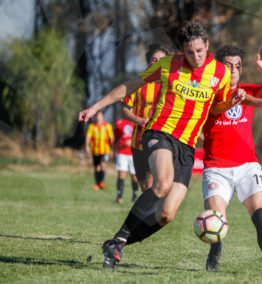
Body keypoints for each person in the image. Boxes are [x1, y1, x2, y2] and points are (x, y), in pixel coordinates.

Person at [78, 21, 243, 269]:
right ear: (181, 50)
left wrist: (230, 103)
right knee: (162, 184)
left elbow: (216, 107)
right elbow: (130, 85)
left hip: (187, 147)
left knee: (166, 215)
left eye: (199, 51)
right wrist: (95, 107)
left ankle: (116, 243)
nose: (195, 57)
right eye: (189, 52)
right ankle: (120, 239)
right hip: (160, 132)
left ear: (207, 46)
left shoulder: (220, 73)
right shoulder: (169, 65)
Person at [201, 45, 262, 277]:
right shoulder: (206, 91)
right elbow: (214, 109)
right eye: (228, 66)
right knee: (216, 220)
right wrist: (248, 101)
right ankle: (216, 248)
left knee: (260, 211)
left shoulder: (247, 89)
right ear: (218, 68)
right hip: (216, 169)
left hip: (246, 167)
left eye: (238, 66)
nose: (234, 70)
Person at [121, 43, 175, 192]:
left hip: (162, 141)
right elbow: (124, 110)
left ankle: (158, 211)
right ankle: (153, 213)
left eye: (161, 60)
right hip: (138, 142)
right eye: (153, 59)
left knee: (153, 183)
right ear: (148, 62)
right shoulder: (139, 83)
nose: (156, 63)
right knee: (145, 187)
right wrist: (138, 120)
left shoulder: (172, 85)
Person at [85, 111, 114, 190]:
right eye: (97, 116)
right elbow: (88, 137)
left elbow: (111, 138)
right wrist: (87, 146)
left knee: (103, 165)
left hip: (105, 150)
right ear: (95, 117)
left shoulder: (107, 126)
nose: (99, 117)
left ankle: (101, 182)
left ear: (103, 117)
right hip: (95, 150)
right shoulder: (92, 126)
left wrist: (111, 148)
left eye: (100, 116)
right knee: (97, 167)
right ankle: (97, 183)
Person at [113, 118, 139, 203]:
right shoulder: (119, 122)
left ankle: (135, 196)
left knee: (134, 176)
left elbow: (140, 136)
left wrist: (131, 141)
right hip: (122, 153)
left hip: (133, 153)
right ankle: (119, 197)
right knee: (121, 174)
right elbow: (115, 138)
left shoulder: (136, 121)